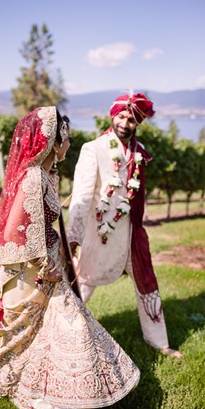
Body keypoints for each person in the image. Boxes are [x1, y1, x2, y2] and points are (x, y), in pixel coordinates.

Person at [0, 106, 140, 409]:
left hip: (46, 267)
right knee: (68, 327)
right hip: (32, 272)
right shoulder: (35, 177)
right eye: (66, 137)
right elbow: (14, 232)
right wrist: (44, 266)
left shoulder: (46, 173)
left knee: (68, 328)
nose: (69, 142)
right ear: (54, 139)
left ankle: (63, 390)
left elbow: (41, 226)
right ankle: (56, 395)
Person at [67, 93, 182, 359]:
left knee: (147, 286)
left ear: (138, 123)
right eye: (121, 116)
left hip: (132, 235)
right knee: (82, 286)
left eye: (131, 119)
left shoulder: (139, 153)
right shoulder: (92, 149)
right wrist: (73, 236)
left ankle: (159, 342)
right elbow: (82, 197)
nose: (125, 123)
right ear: (112, 116)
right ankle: (58, 337)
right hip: (99, 234)